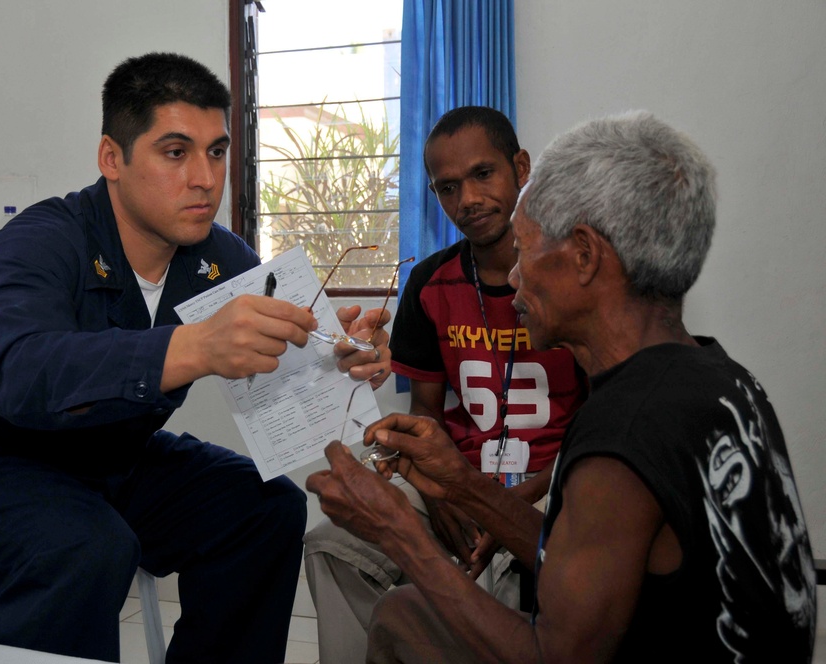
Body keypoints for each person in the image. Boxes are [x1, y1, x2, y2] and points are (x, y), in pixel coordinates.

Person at [0, 52, 391, 663]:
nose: (206, 178)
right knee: (86, 547)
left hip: (113, 463)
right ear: (112, 158)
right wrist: (194, 345)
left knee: (266, 509)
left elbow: (291, 354)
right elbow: (20, 375)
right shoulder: (38, 243)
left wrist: (342, 355)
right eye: (175, 152)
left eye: (216, 151)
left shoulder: (219, 258)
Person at [307, 111, 817, 662]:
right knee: (401, 613)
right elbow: (582, 558)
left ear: (583, 255)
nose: (516, 277)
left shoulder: (620, 438)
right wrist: (461, 484)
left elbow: (556, 656)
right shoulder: (723, 379)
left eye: (525, 250)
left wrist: (395, 529)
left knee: (404, 615)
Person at [303, 106, 586, 664]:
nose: (469, 200)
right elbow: (426, 410)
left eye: (484, 174)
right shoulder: (430, 281)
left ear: (521, 167)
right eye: (448, 187)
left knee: (496, 583)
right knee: (332, 545)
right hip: (455, 469)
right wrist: (445, 491)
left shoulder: (573, 274)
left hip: (555, 477)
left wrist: (497, 503)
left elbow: (599, 428)